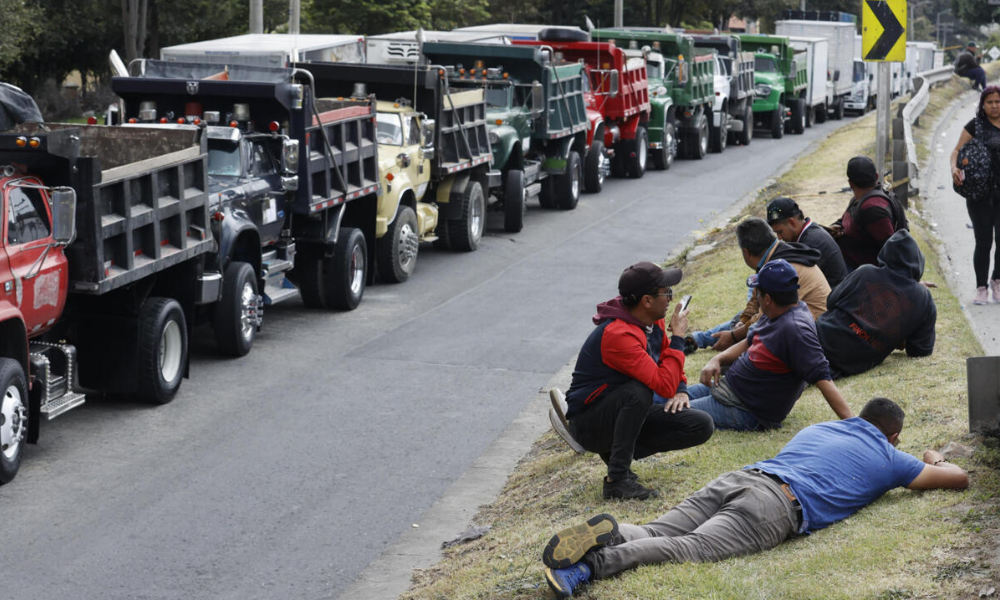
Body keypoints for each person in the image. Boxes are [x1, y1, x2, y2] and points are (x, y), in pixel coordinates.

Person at [541, 398, 969, 598]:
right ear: (892, 435)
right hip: (777, 505)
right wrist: (934, 455)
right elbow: (958, 478)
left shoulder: (823, 428)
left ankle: (614, 532)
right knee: (690, 548)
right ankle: (590, 566)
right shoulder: (892, 457)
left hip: (743, 477)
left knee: (658, 530)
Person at [563, 262, 714, 501]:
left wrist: (681, 389)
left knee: (701, 425)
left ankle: (620, 455)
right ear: (646, 300)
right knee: (638, 391)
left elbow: (667, 364)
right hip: (588, 424)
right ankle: (617, 481)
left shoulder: (653, 320)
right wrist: (678, 337)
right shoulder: (618, 334)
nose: (670, 299)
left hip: (623, 412)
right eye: (667, 293)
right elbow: (662, 384)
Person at [683, 259, 851, 430]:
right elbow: (750, 341)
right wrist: (717, 359)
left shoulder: (796, 330)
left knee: (672, 414)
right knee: (671, 396)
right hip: (727, 390)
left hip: (744, 409)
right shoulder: (778, 313)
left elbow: (824, 380)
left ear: (768, 298)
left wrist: (855, 425)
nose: (756, 297)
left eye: (758, 293)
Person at [694, 218, 829, 352]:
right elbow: (756, 297)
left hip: (811, 334)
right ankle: (696, 340)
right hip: (799, 322)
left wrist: (734, 336)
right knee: (742, 319)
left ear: (746, 252)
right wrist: (744, 319)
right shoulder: (775, 255)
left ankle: (721, 350)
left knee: (753, 330)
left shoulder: (782, 268)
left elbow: (765, 317)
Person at [817, 231, 936, 376]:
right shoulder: (924, 300)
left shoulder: (865, 272)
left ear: (885, 254)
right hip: (850, 363)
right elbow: (920, 350)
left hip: (817, 339)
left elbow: (831, 301)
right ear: (919, 262)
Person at [951, 85, 1000, 304]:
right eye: (990, 102)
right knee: (983, 242)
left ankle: (997, 281)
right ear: (983, 105)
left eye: (998, 102)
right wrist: (954, 168)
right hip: (980, 194)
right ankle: (981, 287)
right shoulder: (976, 126)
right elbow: (956, 151)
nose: (994, 106)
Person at [829, 156, 908, 271]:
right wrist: (833, 229)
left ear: (850, 183)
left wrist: (910, 283)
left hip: (862, 276)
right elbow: (844, 220)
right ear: (876, 176)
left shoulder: (873, 209)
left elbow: (892, 250)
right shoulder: (858, 200)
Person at [767, 197, 848, 289]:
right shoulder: (811, 230)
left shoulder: (810, 243)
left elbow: (797, 281)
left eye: (780, 232)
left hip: (835, 298)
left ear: (792, 223)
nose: (779, 238)